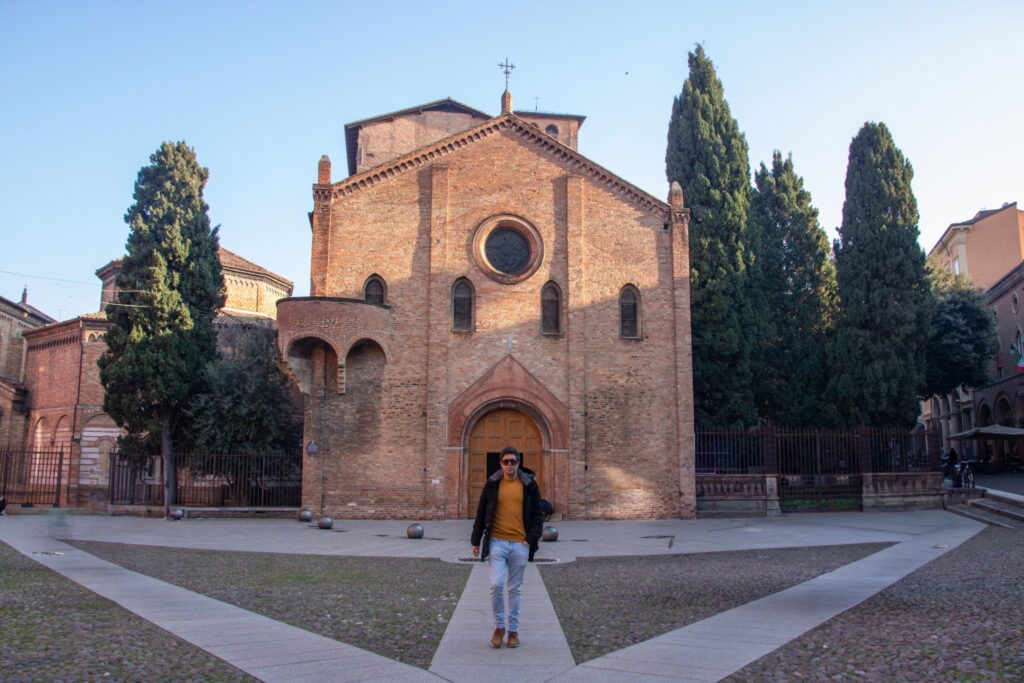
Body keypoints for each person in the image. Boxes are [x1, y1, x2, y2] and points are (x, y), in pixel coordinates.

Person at [470, 445, 544, 649]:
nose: (509, 465)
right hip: (497, 541)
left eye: (513, 461)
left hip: (520, 543)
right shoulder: (493, 483)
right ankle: (499, 627)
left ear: (519, 463)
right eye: (506, 461)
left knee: (514, 588)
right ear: (500, 463)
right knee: (496, 584)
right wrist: (476, 540)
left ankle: (513, 630)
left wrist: (530, 539)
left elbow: (538, 514)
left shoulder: (529, 485)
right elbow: (482, 510)